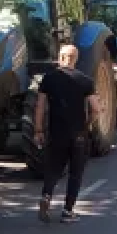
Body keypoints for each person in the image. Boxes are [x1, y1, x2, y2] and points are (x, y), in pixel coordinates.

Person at [33, 44, 101, 223]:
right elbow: (96, 109)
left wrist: (38, 129)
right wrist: (87, 124)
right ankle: (67, 211)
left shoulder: (48, 79)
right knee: (75, 172)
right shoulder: (85, 81)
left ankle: (46, 196)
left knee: (54, 168)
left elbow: (40, 106)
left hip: (56, 132)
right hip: (78, 134)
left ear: (60, 57)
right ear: (75, 59)